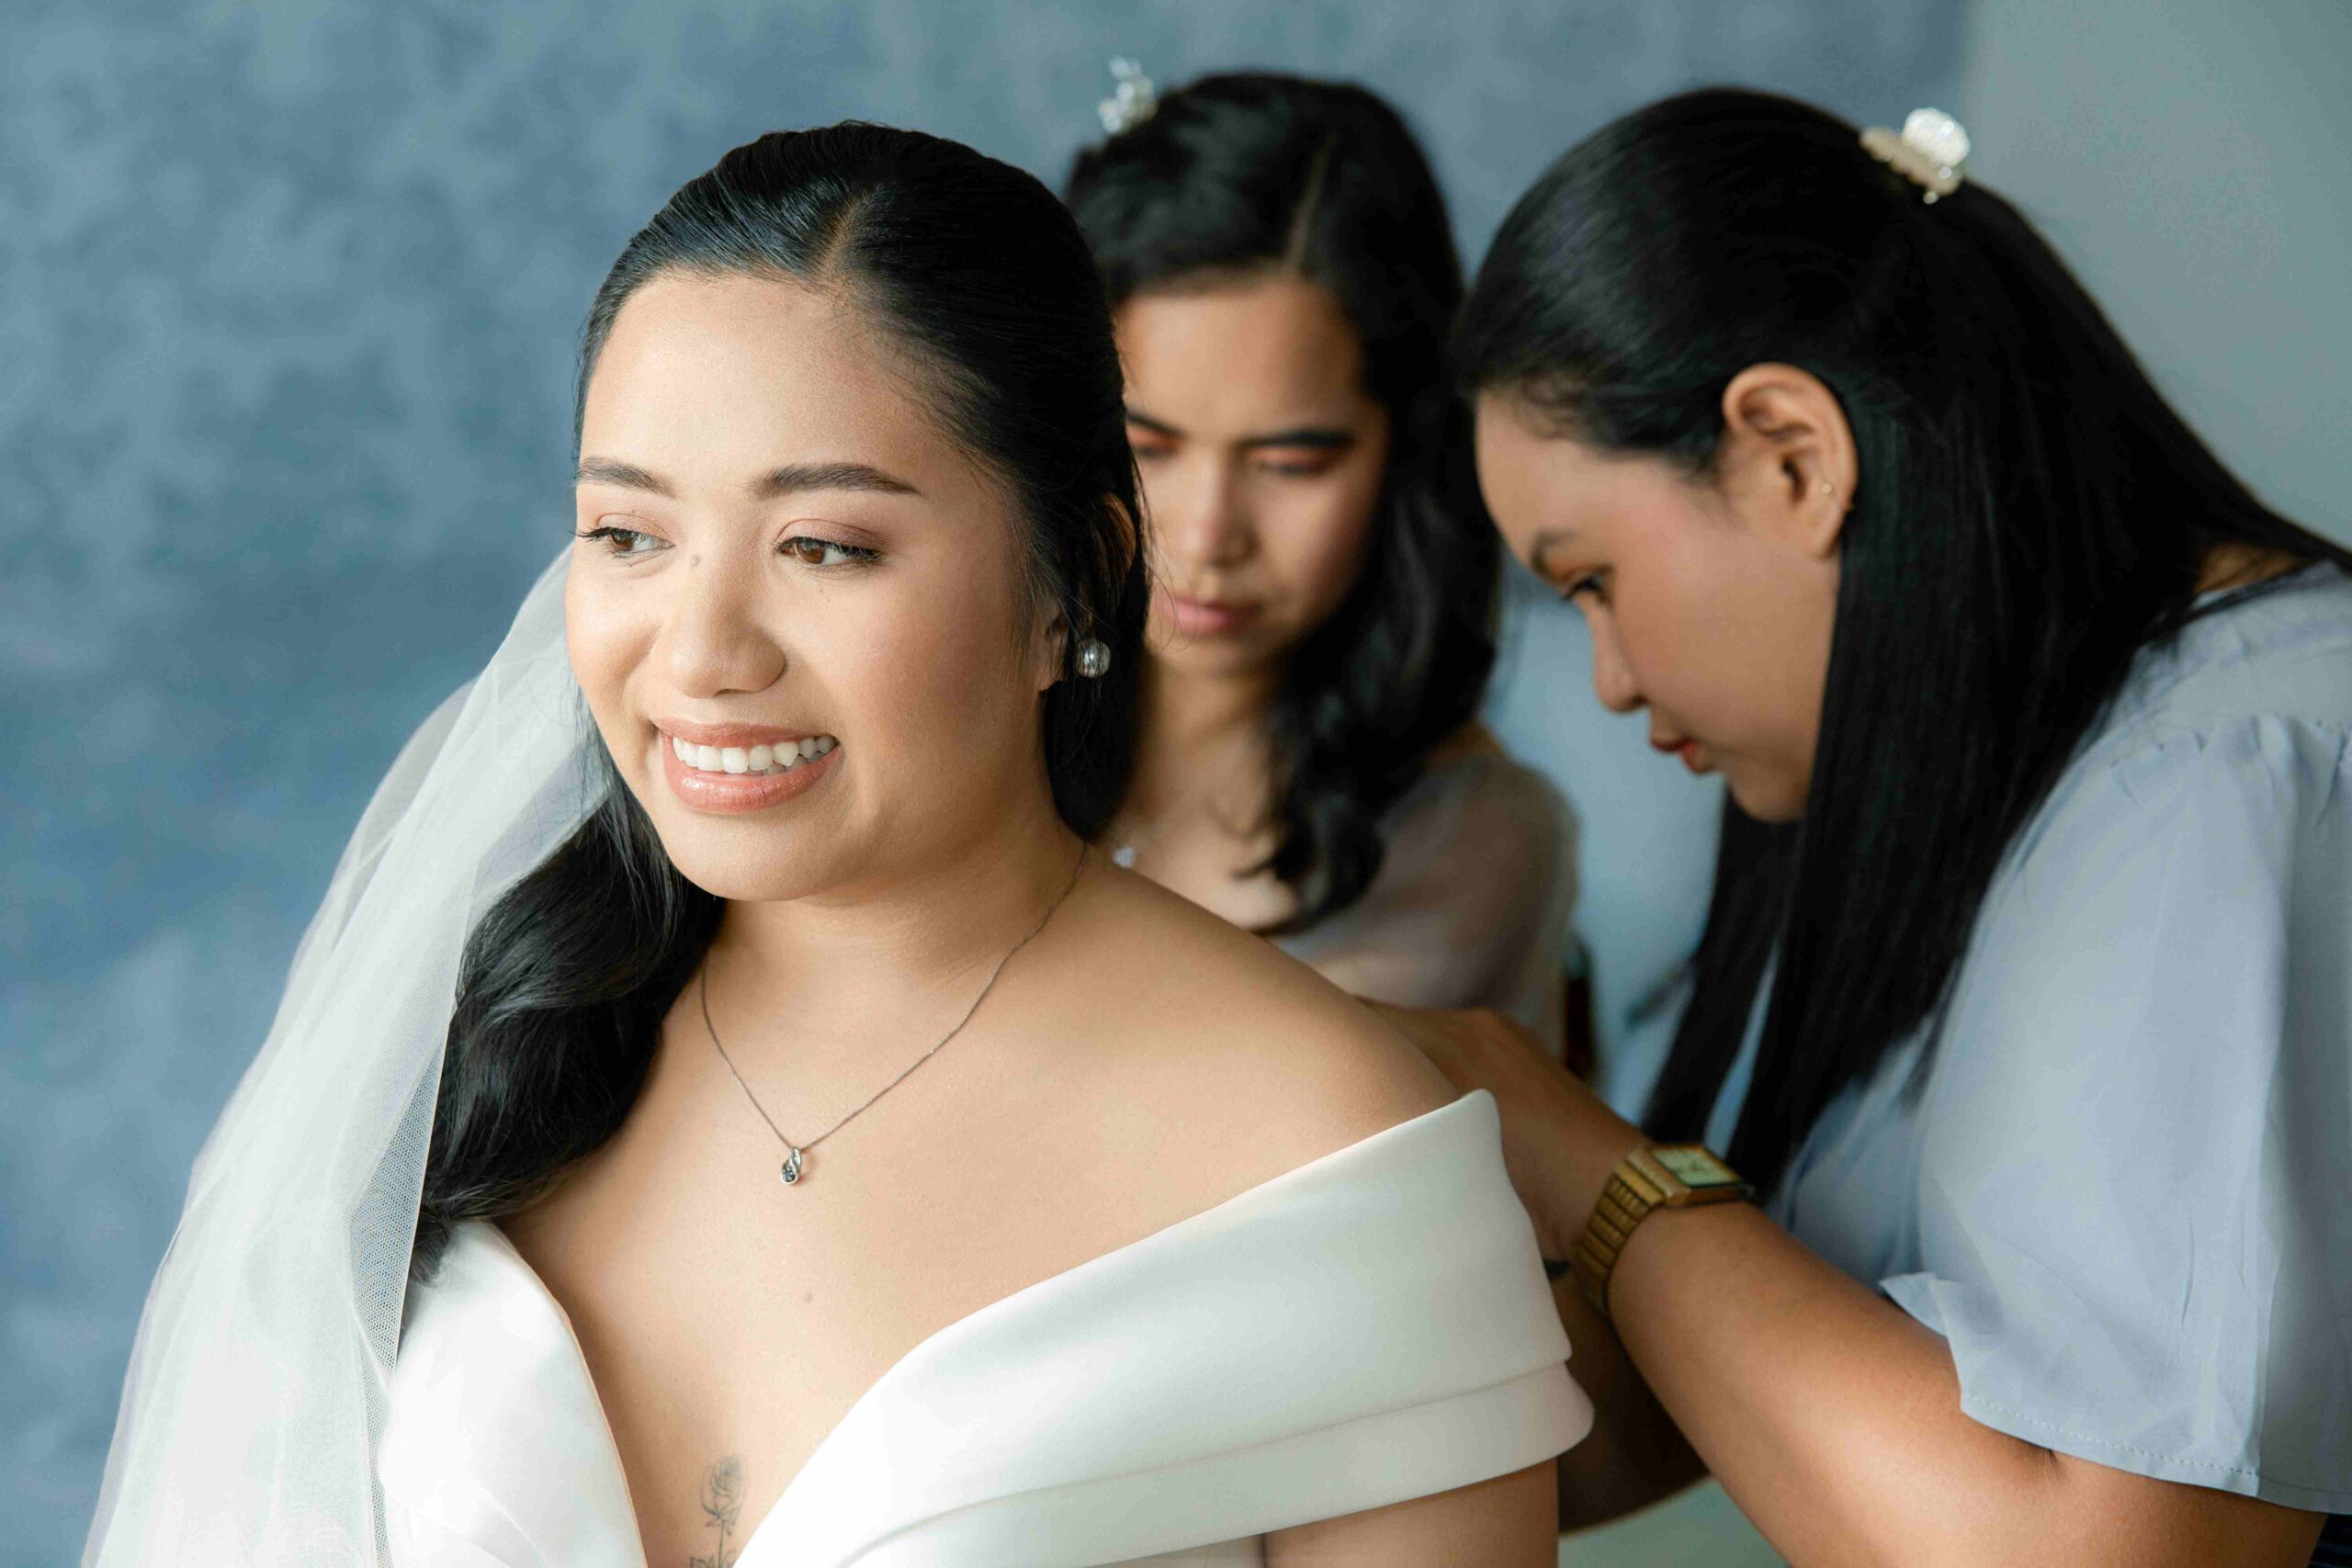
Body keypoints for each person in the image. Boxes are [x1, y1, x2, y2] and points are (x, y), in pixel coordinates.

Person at [83, 125, 1589, 1566]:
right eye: (628, 535)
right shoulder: (492, 1043)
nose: (701, 653)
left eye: (827, 547)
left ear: (1077, 581)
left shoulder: (1326, 1141)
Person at [1393, 87, 2352, 1565]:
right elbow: (1763, 1372)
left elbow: (2102, 1547)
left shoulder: (2222, 776)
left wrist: (1582, 1156)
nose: (1609, 675)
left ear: (1791, 452)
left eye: (1591, 577)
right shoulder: (2023, 777)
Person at [1062, 71, 1579, 1058]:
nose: (1207, 535)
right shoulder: (964, 725)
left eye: (1291, 463)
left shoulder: (1469, 841)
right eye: (1148, 446)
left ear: (1403, 452)